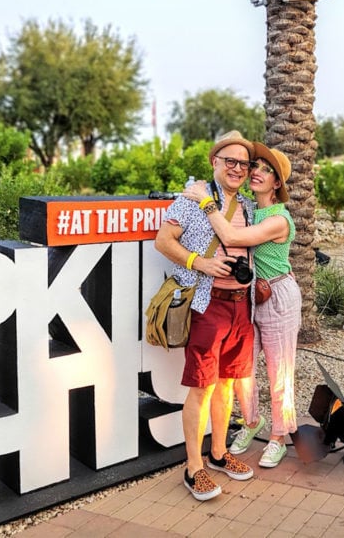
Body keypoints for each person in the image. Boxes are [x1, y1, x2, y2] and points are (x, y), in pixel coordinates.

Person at [183, 142, 301, 468]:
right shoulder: (247, 206)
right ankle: (252, 422)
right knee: (240, 371)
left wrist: (205, 201)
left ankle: (279, 435)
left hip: (278, 296)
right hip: (250, 297)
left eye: (266, 170)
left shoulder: (278, 219)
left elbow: (233, 239)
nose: (256, 173)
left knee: (280, 372)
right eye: (256, 166)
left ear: (277, 183)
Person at [154, 130, 257, 501]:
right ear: (214, 162)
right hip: (207, 305)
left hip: (241, 306)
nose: (237, 168)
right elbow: (163, 241)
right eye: (229, 161)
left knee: (227, 383)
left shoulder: (246, 205)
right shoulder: (191, 199)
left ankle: (218, 452)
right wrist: (202, 263)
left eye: (243, 163)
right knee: (202, 386)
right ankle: (193, 467)